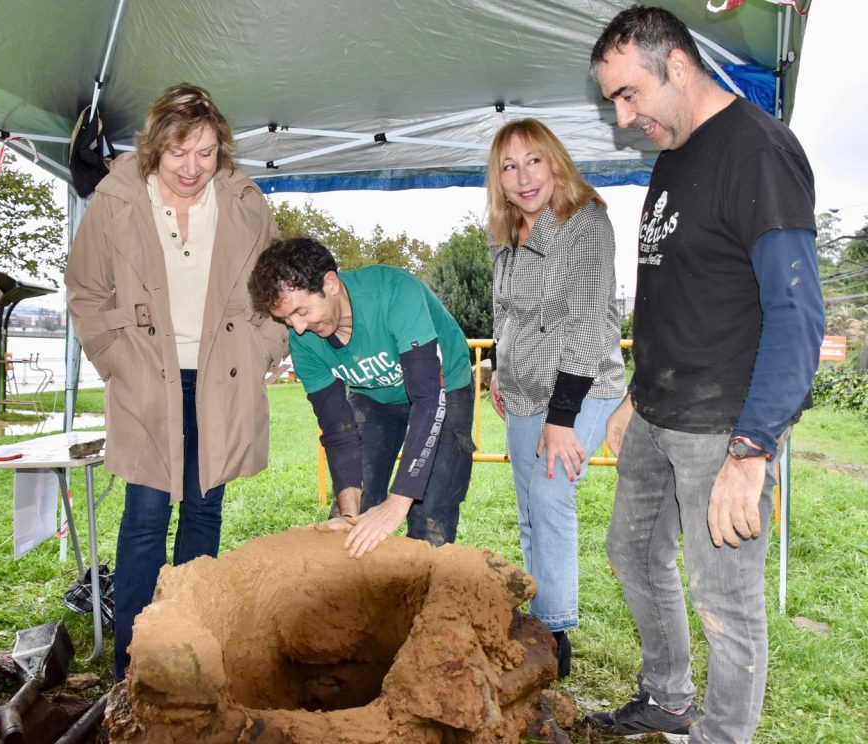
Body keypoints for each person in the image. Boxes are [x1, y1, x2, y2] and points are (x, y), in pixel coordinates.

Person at [587, 7, 824, 742]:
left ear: (678, 69)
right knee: (630, 551)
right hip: (658, 413)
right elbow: (678, 289)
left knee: (724, 600)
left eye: (629, 96)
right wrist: (635, 394)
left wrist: (751, 451)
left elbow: (797, 314)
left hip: (723, 427)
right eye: (613, 104)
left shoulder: (758, 152)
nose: (624, 119)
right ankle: (666, 698)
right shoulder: (676, 150)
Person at [65, 83, 287, 681]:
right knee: (144, 516)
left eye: (207, 153)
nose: (192, 168)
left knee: (203, 511)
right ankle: (134, 667)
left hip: (223, 379)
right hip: (146, 380)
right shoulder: (115, 200)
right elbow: (85, 292)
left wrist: (265, 346)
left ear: (222, 151)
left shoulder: (244, 201)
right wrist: (115, 359)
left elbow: (276, 284)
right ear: (155, 148)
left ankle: (187, 654)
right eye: (178, 153)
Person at [485, 118, 625, 680]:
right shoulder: (503, 231)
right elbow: (504, 312)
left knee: (549, 492)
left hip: (581, 386)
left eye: (533, 160)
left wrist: (561, 420)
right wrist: (498, 367)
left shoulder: (586, 222)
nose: (523, 177)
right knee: (528, 507)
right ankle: (539, 613)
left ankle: (556, 633)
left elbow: (591, 326)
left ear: (555, 162)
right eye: (509, 166)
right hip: (521, 390)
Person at [248, 237, 475, 559]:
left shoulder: (395, 292)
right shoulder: (304, 341)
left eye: (302, 311)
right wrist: (350, 512)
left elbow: (428, 399)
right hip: (374, 398)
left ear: (330, 283)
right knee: (349, 517)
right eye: (287, 319)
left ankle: (423, 598)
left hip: (443, 388)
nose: (297, 328)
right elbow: (337, 429)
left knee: (429, 514)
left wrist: (399, 501)